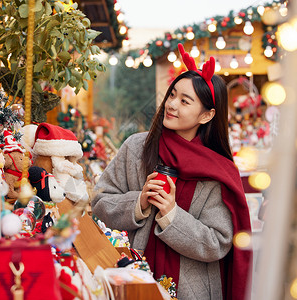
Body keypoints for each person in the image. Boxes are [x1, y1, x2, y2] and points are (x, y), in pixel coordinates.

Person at [92, 44, 252, 300]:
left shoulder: (217, 171)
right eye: (172, 95)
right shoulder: (136, 148)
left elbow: (218, 242)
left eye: (185, 101)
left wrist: (171, 215)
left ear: (207, 115)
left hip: (192, 291)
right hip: (131, 279)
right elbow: (99, 202)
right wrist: (139, 202)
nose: (172, 104)